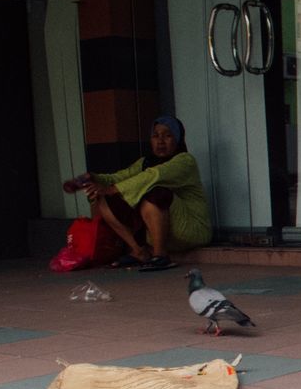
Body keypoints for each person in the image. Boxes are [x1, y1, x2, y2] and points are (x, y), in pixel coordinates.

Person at [63, 115, 212, 272]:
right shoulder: (145, 163)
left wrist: (114, 189)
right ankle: (139, 251)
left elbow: (154, 175)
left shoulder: (185, 161)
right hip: (158, 235)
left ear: (178, 139)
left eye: (167, 135)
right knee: (104, 198)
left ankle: (160, 255)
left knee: (155, 192)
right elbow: (117, 177)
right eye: (155, 136)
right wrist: (92, 178)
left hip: (191, 231)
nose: (160, 141)